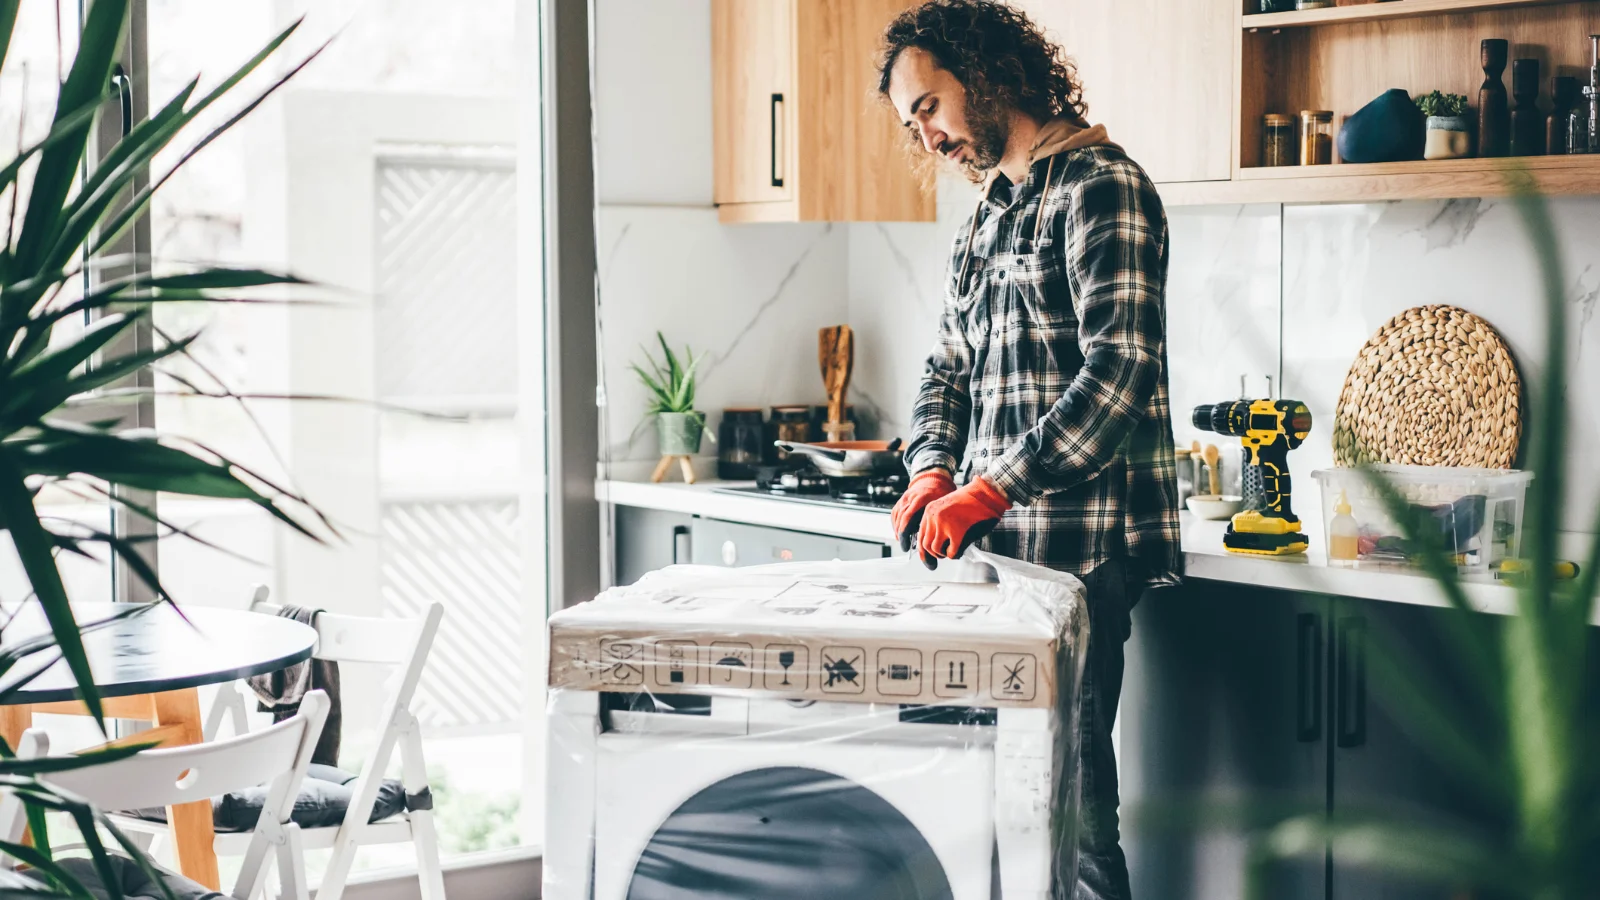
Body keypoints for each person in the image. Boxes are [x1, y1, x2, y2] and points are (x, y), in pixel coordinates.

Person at [879, 3, 1181, 898]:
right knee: (1005, 816)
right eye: (912, 123)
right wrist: (933, 465)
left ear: (985, 72)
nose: (927, 134)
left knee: (1074, 817)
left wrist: (993, 488)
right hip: (999, 566)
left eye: (930, 106)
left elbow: (1119, 374)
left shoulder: (1102, 186)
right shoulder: (988, 216)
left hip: (1080, 559)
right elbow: (947, 367)